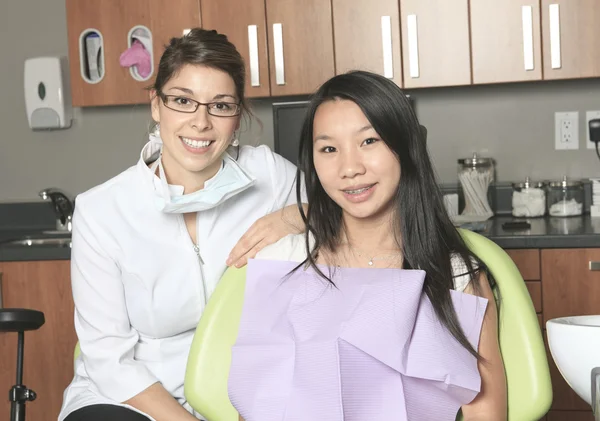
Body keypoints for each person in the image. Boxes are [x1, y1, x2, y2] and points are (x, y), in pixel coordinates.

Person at [59, 28, 307, 421]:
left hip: (239, 396)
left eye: (221, 106)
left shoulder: (270, 175)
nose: (201, 122)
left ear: (237, 115)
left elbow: (356, 217)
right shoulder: (101, 211)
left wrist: (299, 214)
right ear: (156, 105)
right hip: (128, 399)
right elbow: (108, 359)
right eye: (183, 101)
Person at [229, 71, 507, 420]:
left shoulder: (457, 279)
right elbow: (257, 406)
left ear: (405, 146)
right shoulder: (284, 263)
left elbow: (486, 415)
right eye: (329, 148)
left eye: (369, 141)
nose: (349, 168)